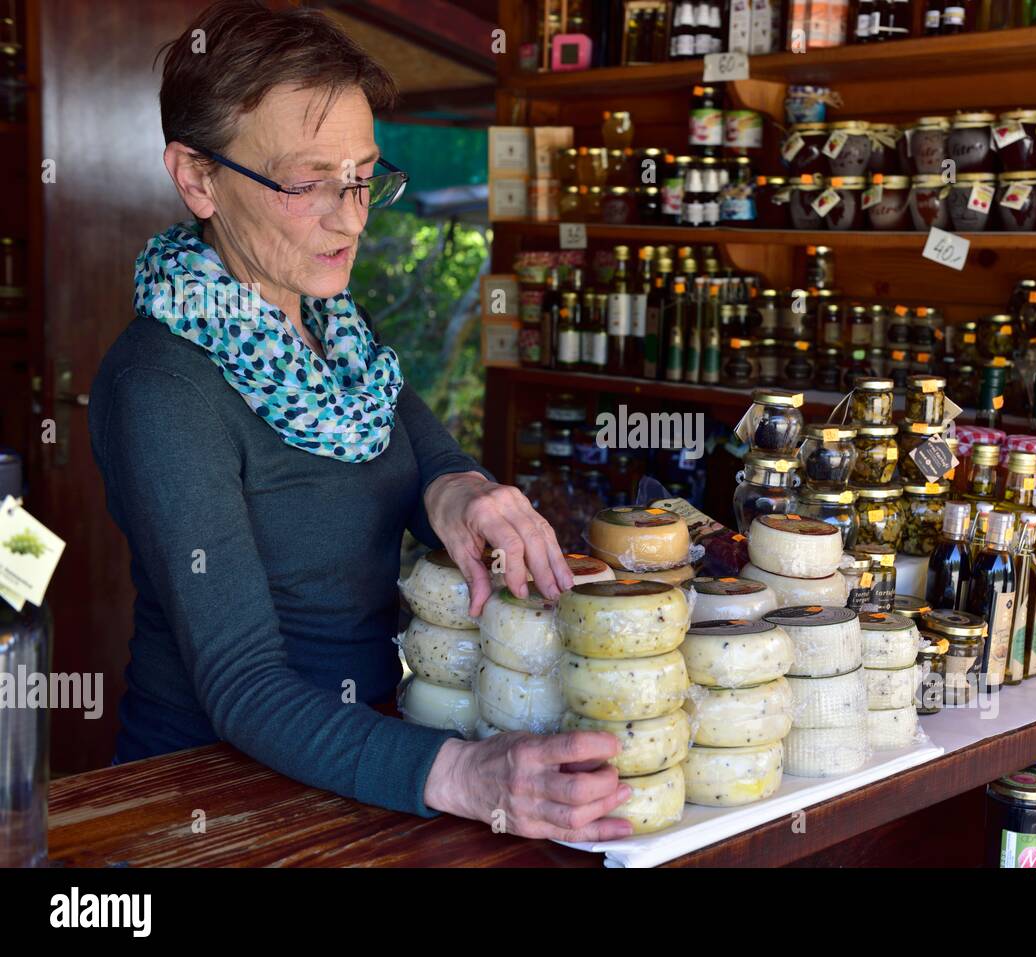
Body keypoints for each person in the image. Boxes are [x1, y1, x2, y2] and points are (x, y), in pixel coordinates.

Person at [88, 0, 633, 843]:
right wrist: (466, 773)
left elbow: (419, 455)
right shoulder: (160, 384)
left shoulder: (332, 328)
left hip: (360, 760)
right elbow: (241, 685)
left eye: (362, 176)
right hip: (211, 798)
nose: (351, 216)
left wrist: (464, 489)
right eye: (307, 183)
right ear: (196, 177)